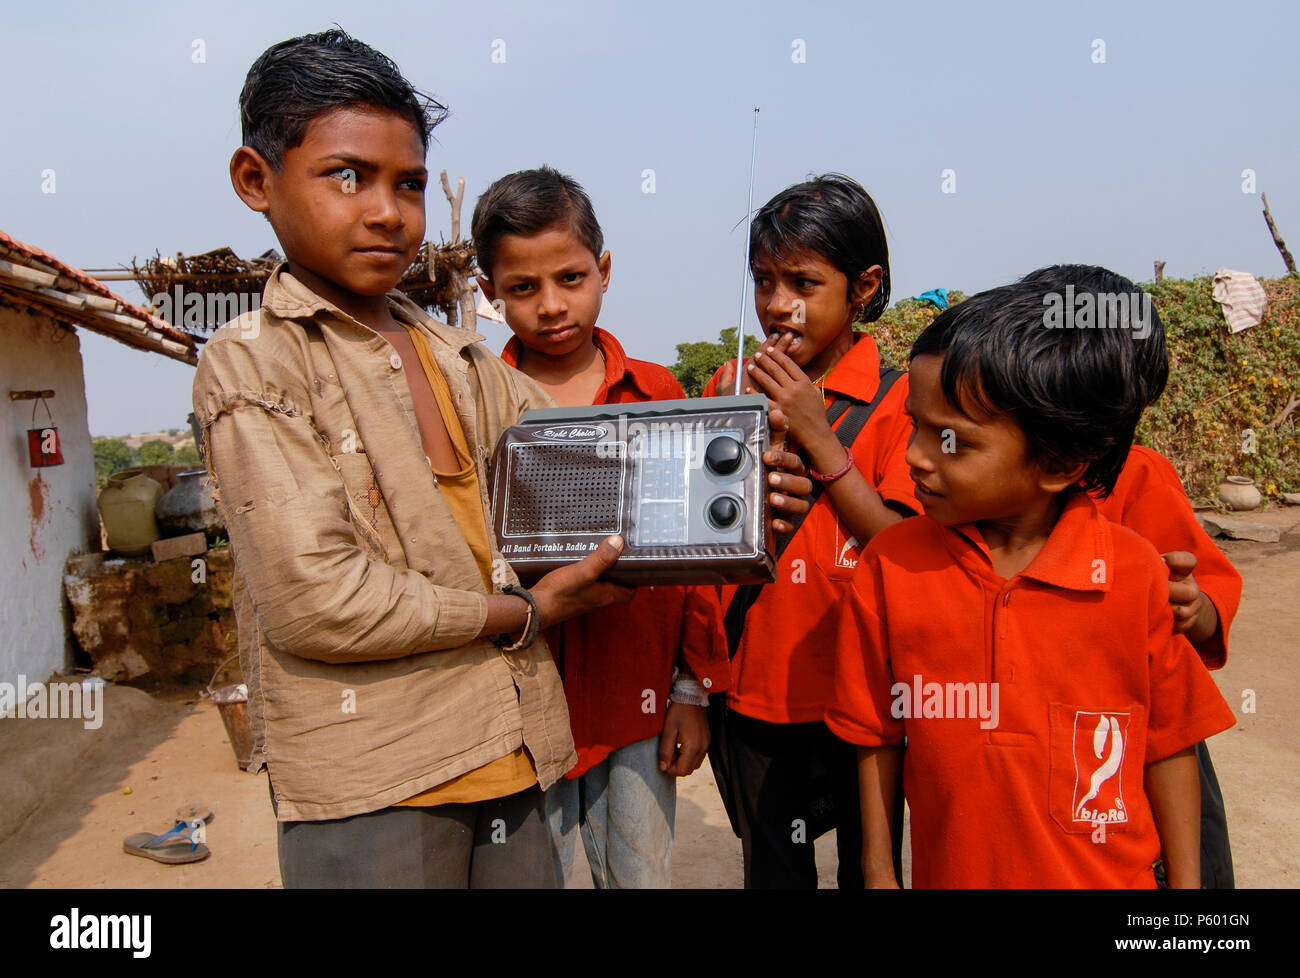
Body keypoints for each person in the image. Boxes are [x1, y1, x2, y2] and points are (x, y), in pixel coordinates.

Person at [191, 29, 633, 889]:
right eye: (345, 176)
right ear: (256, 180)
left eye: (410, 184)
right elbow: (321, 602)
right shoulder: (253, 359)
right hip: (379, 781)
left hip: (511, 748)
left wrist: (732, 482)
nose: (387, 211)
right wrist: (525, 613)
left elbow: (601, 458)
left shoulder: (457, 356)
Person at [827, 269, 1237, 887]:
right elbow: (876, 731)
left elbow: (1170, 744)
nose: (913, 455)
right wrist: (879, 870)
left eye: (951, 441)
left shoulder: (1135, 570)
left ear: (1059, 461)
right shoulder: (891, 567)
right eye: (914, 424)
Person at [472, 165, 808, 886]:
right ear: (489, 294)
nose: (552, 306)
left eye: (570, 277)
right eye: (522, 289)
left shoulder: (656, 393)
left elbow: (695, 568)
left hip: (639, 698)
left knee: (640, 874)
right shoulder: (478, 402)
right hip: (525, 707)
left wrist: (689, 691)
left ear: (605, 268)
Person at [701, 174, 916, 888]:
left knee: (871, 864)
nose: (777, 304)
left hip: (864, 683)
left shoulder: (901, 398)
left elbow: (902, 549)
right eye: (764, 280)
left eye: (803, 281)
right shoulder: (729, 386)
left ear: (864, 286)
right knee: (774, 867)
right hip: (756, 678)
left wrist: (823, 443)